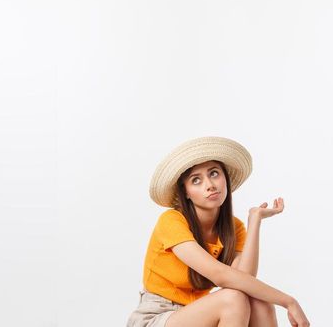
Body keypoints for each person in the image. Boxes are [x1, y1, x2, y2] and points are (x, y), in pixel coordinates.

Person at [127, 136, 310, 327]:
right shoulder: (171, 221)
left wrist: (254, 220)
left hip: (198, 311)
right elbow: (220, 275)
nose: (209, 185)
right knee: (233, 300)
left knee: (259, 302)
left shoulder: (234, 227)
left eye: (214, 174)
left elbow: (244, 279)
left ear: (225, 178)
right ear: (186, 192)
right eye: (196, 180)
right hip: (157, 316)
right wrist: (288, 301)